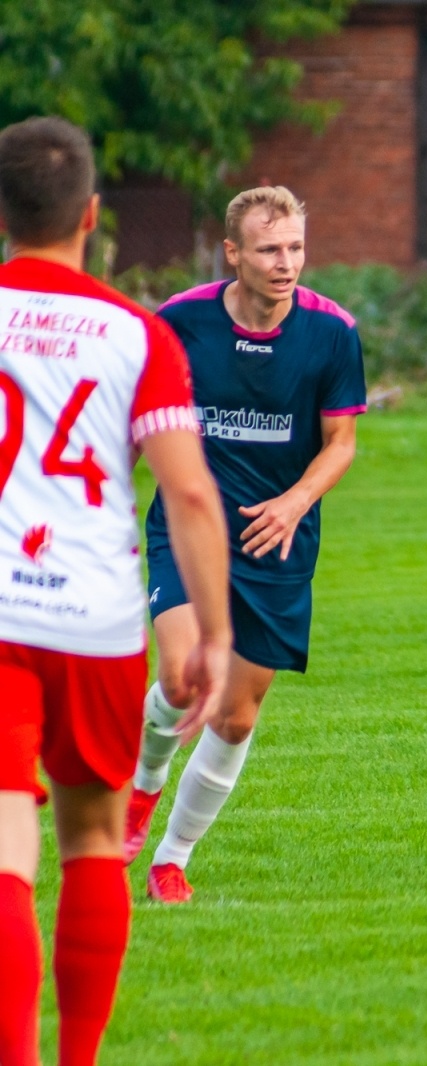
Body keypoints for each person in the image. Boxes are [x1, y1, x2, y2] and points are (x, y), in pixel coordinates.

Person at [0, 116, 232, 1066]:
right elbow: (186, 490)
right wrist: (211, 635)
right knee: (93, 844)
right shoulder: (137, 332)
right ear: (92, 213)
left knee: (9, 856)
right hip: (94, 622)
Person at [122, 186, 367, 904]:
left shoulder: (332, 333)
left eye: (294, 247)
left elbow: (341, 443)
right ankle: (142, 790)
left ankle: (172, 857)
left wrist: (295, 502)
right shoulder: (180, 322)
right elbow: (139, 422)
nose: (285, 262)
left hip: (278, 540)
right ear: (232, 253)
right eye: (268, 249)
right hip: (188, 525)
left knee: (235, 715)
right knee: (181, 678)